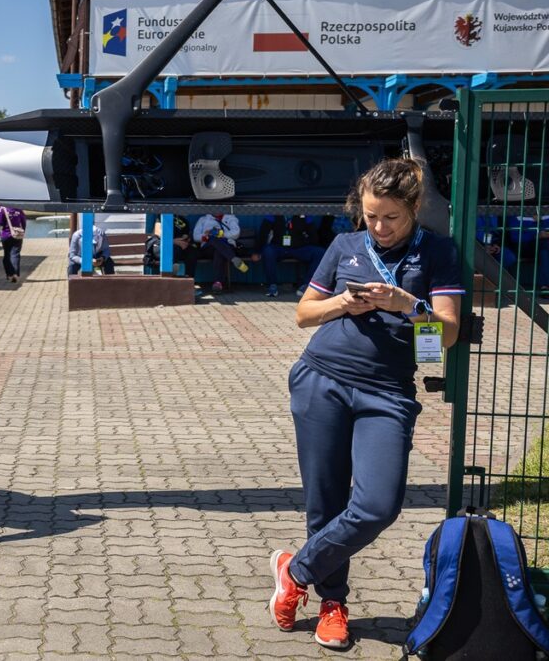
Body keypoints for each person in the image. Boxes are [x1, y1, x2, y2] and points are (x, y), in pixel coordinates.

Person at [268, 158, 464, 649]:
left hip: (387, 393)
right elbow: (303, 314)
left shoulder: (437, 253)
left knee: (377, 504)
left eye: (390, 217)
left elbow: (449, 332)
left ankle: (297, 569)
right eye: (371, 215)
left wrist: (408, 305)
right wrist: (342, 304)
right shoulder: (345, 245)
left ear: (414, 209)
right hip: (322, 381)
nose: (378, 227)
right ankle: (333, 604)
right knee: (325, 500)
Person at [252, 215, 326, 298]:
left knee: (320, 252)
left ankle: (306, 285)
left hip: (298, 248)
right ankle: (272, 285)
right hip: (279, 248)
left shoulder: (303, 214)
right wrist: (257, 251)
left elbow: (313, 235)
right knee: (268, 250)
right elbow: (263, 233)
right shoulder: (273, 212)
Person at [192, 212, 249, 292]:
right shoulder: (203, 219)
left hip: (227, 245)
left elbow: (236, 233)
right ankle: (233, 258)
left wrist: (221, 234)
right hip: (208, 248)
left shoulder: (230, 218)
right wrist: (207, 237)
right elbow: (196, 236)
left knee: (219, 251)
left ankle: (218, 283)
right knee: (213, 239)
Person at [507, 214, 549, 293]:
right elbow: (515, 237)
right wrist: (536, 236)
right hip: (523, 246)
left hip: (543, 246)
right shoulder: (515, 211)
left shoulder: (545, 210)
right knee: (545, 246)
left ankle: (546, 287)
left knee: (545, 250)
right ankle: (546, 287)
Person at [0, 205, 26, 283]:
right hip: (17, 234)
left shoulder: (2, 208)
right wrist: (22, 231)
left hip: (5, 235)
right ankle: (15, 274)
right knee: (15, 254)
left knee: (7, 255)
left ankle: (9, 274)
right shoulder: (19, 208)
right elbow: (23, 221)